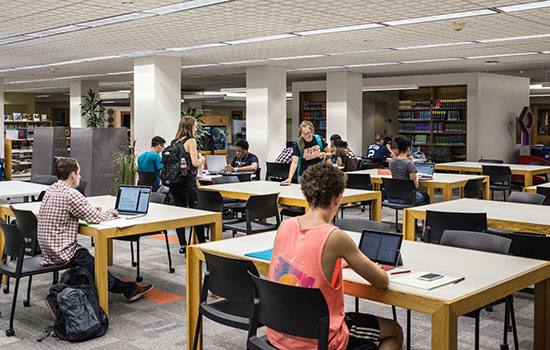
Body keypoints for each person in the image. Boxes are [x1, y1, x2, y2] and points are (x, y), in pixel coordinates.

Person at [268, 162, 403, 350]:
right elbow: (382, 282)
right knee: (395, 330)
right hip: (319, 337)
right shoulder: (334, 236)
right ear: (337, 198)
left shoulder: (285, 226)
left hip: (280, 331)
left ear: (306, 194)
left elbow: (302, 261)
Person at [38, 158, 153, 309]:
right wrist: (113, 213)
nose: (80, 176)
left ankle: (127, 289)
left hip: (46, 250)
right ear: (72, 175)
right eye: (79, 173)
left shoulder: (51, 189)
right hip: (63, 251)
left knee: (88, 264)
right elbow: (95, 218)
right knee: (99, 271)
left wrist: (91, 211)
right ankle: (129, 289)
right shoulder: (71, 194)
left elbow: (78, 211)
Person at [170, 116, 206, 254]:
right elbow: (195, 163)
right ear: (190, 127)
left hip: (175, 183)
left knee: (179, 213)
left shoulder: (174, 142)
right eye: (195, 125)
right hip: (188, 182)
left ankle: (183, 244)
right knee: (196, 212)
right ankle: (202, 243)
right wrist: (201, 159)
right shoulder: (191, 141)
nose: (196, 128)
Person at [388, 136, 430, 205]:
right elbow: (415, 186)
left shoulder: (391, 162)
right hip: (407, 198)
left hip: (393, 197)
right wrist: (417, 178)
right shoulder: (409, 164)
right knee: (426, 196)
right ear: (408, 148)